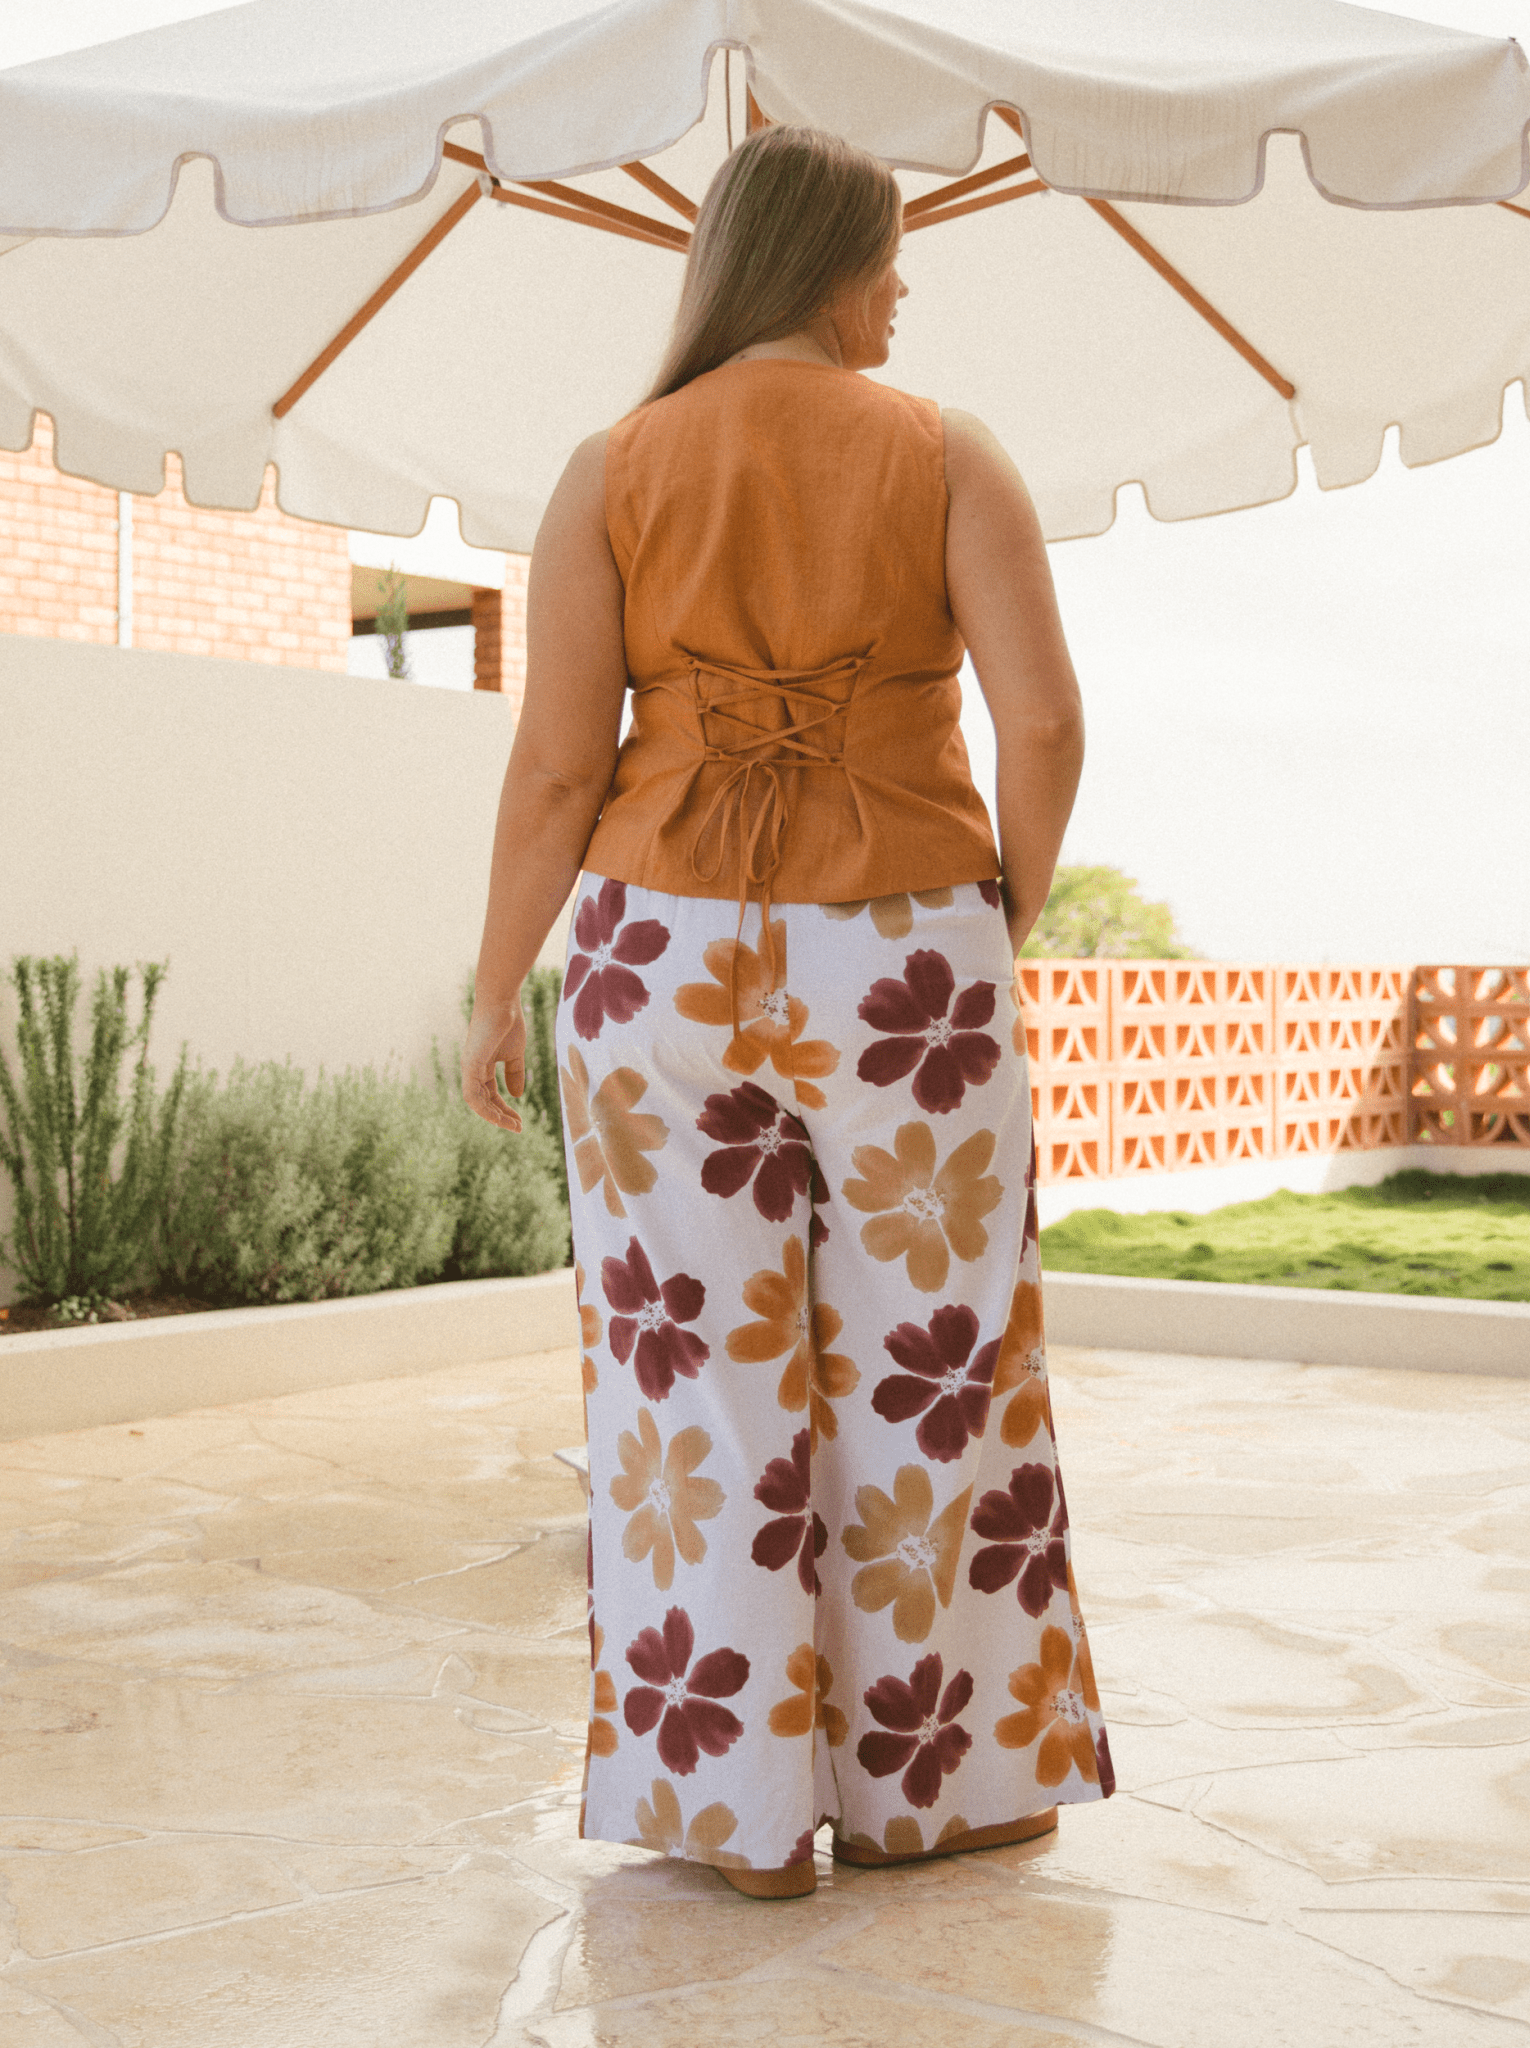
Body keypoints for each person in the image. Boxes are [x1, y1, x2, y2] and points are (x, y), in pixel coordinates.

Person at [462, 124, 1113, 1900]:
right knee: (934, 1365)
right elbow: (1045, 723)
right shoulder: (947, 450)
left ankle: (730, 1816)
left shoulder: (609, 467)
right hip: (902, 952)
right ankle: (936, 1791)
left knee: (687, 1381)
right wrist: (1001, 911)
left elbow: (554, 769)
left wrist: (496, 981)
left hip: (651, 953)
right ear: (829, 265)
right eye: (890, 259)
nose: (903, 291)